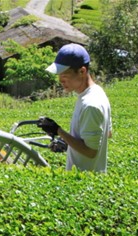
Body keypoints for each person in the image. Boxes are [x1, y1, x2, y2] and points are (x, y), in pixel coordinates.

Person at [38, 43, 112, 172]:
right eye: (59, 76)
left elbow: (91, 152)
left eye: (64, 76)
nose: (60, 81)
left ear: (82, 71)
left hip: (85, 182)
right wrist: (68, 143)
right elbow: (107, 134)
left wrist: (58, 130)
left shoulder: (90, 104)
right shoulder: (96, 92)